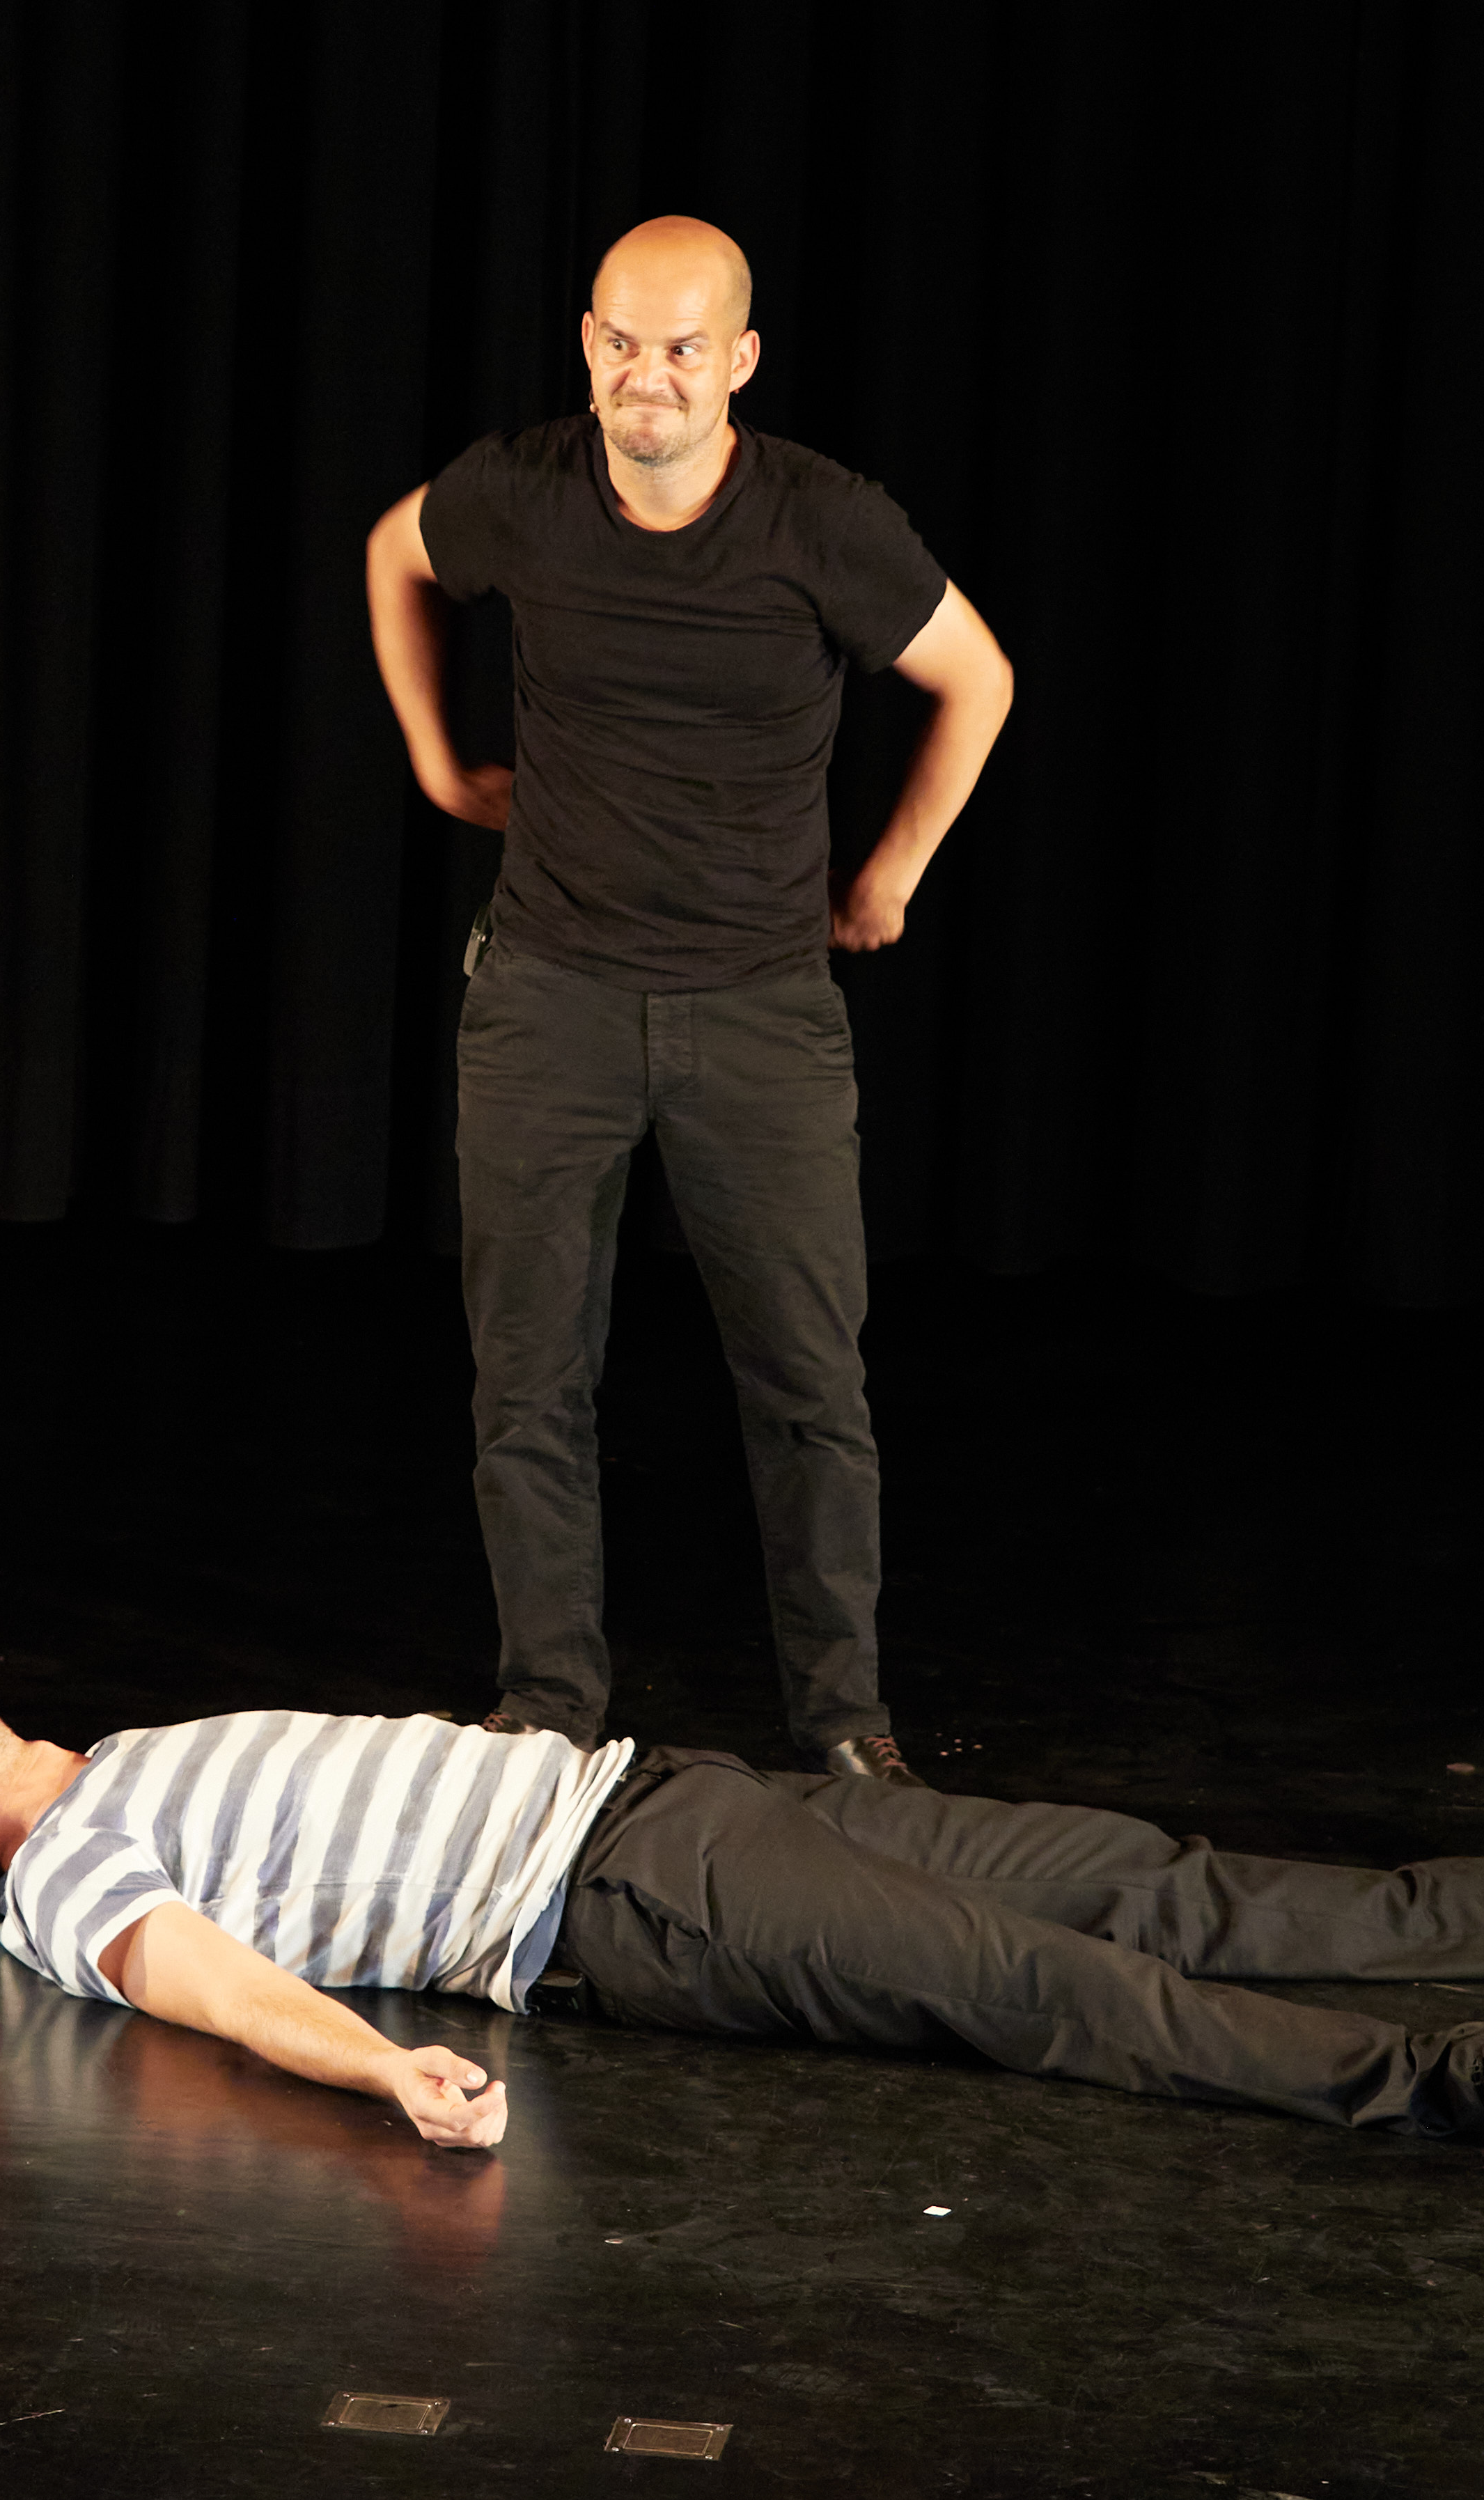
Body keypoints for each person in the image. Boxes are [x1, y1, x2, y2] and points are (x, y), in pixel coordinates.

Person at [365, 215, 1016, 1783]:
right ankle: (544, 1711)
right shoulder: (524, 489)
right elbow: (397, 554)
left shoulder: (821, 521)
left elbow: (978, 678)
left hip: (756, 1014)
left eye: (682, 348)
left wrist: (890, 876)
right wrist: (438, 764)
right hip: (550, 1001)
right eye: (620, 340)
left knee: (809, 1384)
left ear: (739, 361)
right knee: (529, 1378)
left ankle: (844, 1720)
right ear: (587, 343)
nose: (646, 374)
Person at [0, 1682, 1484, 2150]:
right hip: (635, 1894)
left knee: (1133, 1874)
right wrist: (384, 2069)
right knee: (1055, 1983)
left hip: (663, 1793)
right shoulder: (65, 1882)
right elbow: (218, 1992)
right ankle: (1454, 2081)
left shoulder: (107, 1764)